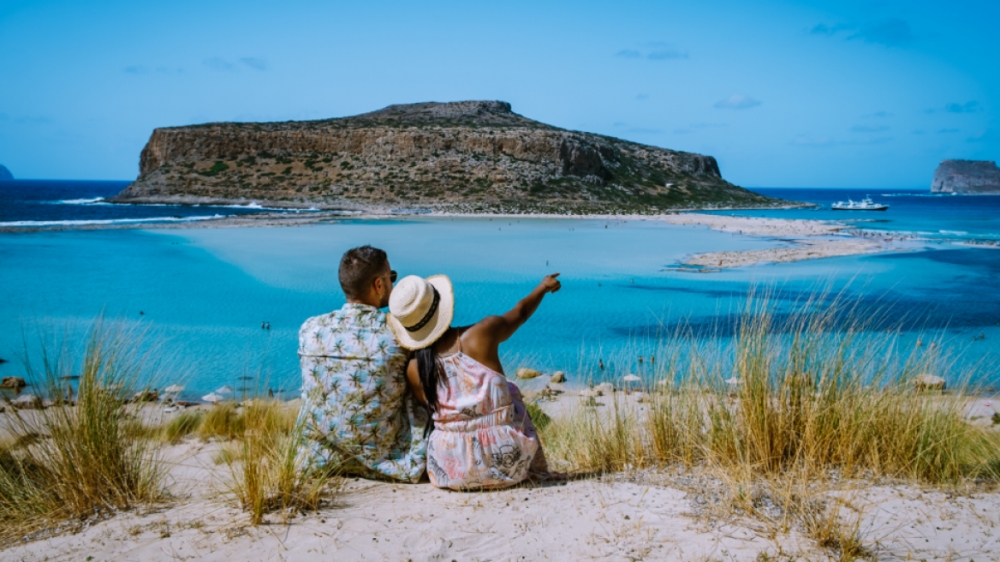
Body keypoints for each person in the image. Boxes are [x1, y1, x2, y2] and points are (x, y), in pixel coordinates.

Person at [387, 272, 561, 490]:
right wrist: (543, 287)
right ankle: (534, 467)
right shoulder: (482, 333)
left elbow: (431, 409)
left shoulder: (413, 368)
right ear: (441, 305)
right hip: (507, 461)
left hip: (448, 469)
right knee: (511, 390)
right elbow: (521, 312)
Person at [295, 245, 429, 482]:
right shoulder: (397, 333)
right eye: (391, 278)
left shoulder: (310, 329)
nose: (393, 285)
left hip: (317, 459)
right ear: (378, 285)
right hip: (388, 460)